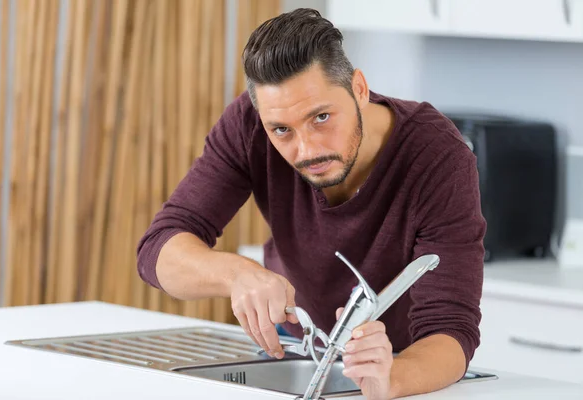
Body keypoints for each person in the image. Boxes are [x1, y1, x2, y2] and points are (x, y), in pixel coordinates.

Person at [136, 8, 486, 400]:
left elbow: (451, 329)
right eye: (282, 130)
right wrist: (235, 274)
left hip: (405, 363)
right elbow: (158, 249)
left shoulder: (437, 156)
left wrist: (393, 378)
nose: (306, 150)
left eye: (321, 117)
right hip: (297, 346)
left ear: (359, 89)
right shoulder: (248, 125)